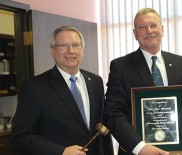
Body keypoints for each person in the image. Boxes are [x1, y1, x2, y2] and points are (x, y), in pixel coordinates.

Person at [104, 8, 182, 155]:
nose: (149, 31)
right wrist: (140, 147)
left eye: (153, 25)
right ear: (135, 33)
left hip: (179, 151)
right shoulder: (121, 66)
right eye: (142, 27)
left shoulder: (181, 63)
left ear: (162, 29)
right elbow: (113, 113)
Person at [11, 26, 113, 155]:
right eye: (63, 45)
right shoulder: (34, 87)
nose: (71, 51)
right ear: (52, 50)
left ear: (82, 50)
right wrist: (61, 151)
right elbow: (20, 137)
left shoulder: (95, 82)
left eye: (76, 45)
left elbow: (102, 129)